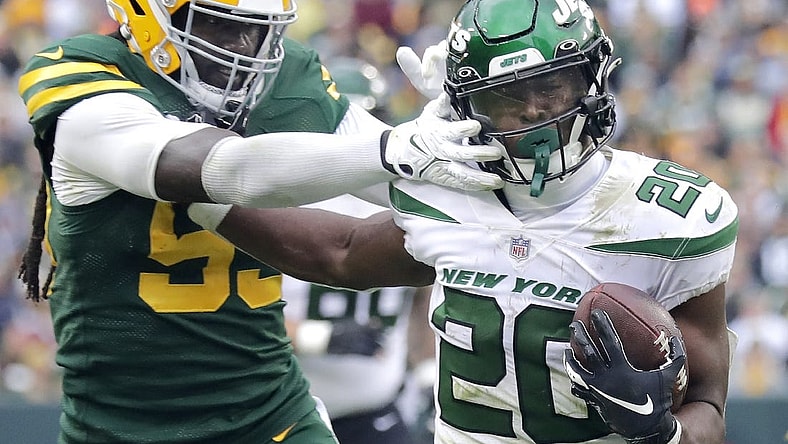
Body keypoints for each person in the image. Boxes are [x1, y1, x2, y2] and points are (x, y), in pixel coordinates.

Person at [187, 0, 739, 443]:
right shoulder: (449, 189)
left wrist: (664, 433)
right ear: (465, 107)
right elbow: (342, 251)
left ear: (591, 78)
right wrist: (202, 198)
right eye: (505, 98)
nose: (531, 113)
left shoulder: (674, 219)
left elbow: (709, 406)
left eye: (549, 88)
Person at [14, 1, 505, 443]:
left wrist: (486, 126)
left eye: (256, 29)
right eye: (217, 25)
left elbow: (421, 193)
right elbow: (224, 169)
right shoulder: (86, 77)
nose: (243, 49)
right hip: (122, 423)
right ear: (147, 15)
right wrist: (397, 149)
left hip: (271, 414)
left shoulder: (287, 79)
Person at [280, 57, 431, 444]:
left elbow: (424, 302)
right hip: (292, 409)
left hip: (377, 412)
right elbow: (243, 315)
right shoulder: (281, 206)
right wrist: (319, 337)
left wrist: (428, 369)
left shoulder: (405, 207)